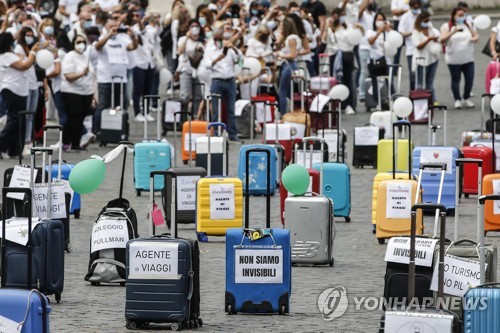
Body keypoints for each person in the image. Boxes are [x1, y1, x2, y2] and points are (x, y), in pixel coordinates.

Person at [93, 19, 138, 135]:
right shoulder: (103, 38)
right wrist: (109, 35)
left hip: (121, 78)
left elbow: (133, 47)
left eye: (115, 26)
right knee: (103, 106)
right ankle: (97, 130)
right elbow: (97, 47)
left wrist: (133, 36)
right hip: (105, 79)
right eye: (111, 26)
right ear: (106, 27)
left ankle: (120, 130)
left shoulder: (123, 39)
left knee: (121, 106)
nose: (114, 28)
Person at [0, 32, 39, 158]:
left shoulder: (12, 55)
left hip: (21, 91)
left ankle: (15, 150)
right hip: (12, 89)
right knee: (15, 120)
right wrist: (33, 52)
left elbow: (22, 58)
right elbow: (24, 65)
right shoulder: (5, 56)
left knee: (20, 121)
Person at [205, 28, 242, 142]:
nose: (218, 41)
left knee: (231, 109)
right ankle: (216, 133)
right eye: (216, 39)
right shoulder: (210, 50)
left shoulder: (229, 49)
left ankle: (233, 133)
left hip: (230, 81)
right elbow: (207, 65)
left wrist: (234, 48)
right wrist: (218, 58)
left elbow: (239, 58)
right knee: (216, 110)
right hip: (217, 81)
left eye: (220, 39)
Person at [440, 6, 478, 109]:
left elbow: (476, 36)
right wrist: (453, 32)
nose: (462, 17)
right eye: (459, 15)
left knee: (469, 79)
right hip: (453, 59)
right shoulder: (447, 26)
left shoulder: (468, 25)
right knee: (456, 79)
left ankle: (466, 97)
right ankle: (457, 99)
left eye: (463, 15)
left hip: (468, 58)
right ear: (454, 16)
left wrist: (473, 39)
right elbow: (441, 39)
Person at [60, 34, 94, 151]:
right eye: (78, 42)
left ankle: (76, 142)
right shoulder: (70, 56)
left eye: (83, 42)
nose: (81, 44)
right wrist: (81, 74)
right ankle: (66, 141)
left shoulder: (85, 56)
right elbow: (68, 76)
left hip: (86, 92)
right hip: (72, 91)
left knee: (81, 118)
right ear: (73, 43)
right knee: (74, 116)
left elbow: (92, 76)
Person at [14, 26, 38, 155]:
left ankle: (28, 141)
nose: (30, 37)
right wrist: (33, 53)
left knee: (31, 116)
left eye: (31, 35)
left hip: (33, 84)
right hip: (25, 86)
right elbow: (24, 65)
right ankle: (22, 142)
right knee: (25, 115)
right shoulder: (18, 49)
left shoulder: (29, 48)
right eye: (27, 35)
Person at [176, 19, 205, 119]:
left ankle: (196, 117)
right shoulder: (183, 39)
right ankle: (182, 118)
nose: (195, 28)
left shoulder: (202, 41)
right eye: (192, 26)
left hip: (198, 70)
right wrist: (188, 37)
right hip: (185, 69)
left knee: (198, 95)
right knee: (185, 95)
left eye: (196, 26)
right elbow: (179, 51)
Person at [274, 17, 301, 116]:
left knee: (282, 91)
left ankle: (283, 113)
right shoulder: (290, 38)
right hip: (288, 65)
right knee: (288, 92)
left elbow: (293, 55)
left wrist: (281, 55)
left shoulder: (291, 39)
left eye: (281, 26)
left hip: (289, 65)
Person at [412, 11, 440, 103]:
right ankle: (420, 101)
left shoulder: (431, 29)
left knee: (430, 82)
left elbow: (438, 38)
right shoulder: (416, 32)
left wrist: (435, 39)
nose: (427, 22)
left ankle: (432, 100)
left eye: (428, 20)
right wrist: (428, 39)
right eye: (425, 20)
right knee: (420, 82)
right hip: (421, 60)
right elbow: (418, 46)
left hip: (432, 59)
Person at [367, 12, 393, 108]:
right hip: (375, 61)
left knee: (390, 83)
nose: (380, 22)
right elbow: (370, 41)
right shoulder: (371, 32)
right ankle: (377, 102)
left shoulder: (387, 33)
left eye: (382, 20)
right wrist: (379, 32)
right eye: (378, 19)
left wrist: (389, 30)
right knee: (375, 83)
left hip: (387, 61)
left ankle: (392, 100)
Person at [398, 0, 421, 91]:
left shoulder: (421, 15)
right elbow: (401, 32)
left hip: (422, 48)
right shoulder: (405, 17)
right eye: (414, 8)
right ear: (411, 7)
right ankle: (413, 93)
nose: (416, 10)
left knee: (421, 73)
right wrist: (412, 32)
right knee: (412, 73)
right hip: (411, 49)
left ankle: (422, 94)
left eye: (417, 7)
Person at [358, 0, 376, 104]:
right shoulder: (362, 15)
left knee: (373, 72)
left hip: (374, 47)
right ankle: (362, 94)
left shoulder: (374, 15)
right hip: (364, 46)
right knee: (364, 71)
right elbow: (359, 11)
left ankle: (374, 93)